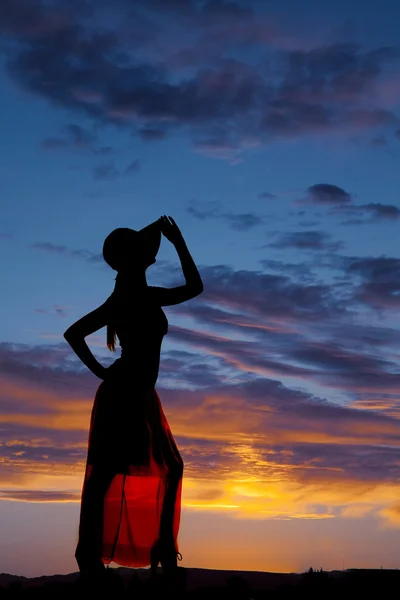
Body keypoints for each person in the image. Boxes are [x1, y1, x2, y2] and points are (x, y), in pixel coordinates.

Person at [63, 215, 203, 584]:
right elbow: (74, 333)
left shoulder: (140, 294)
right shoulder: (127, 297)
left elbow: (194, 287)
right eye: (143, 252)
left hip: (140, 393)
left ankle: (158, 549)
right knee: (109, 473)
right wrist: (102, 372)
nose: (151, 255)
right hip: (124, 392)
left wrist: (178, 242)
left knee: (162, 468)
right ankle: (91, 555)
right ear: (134, 259)